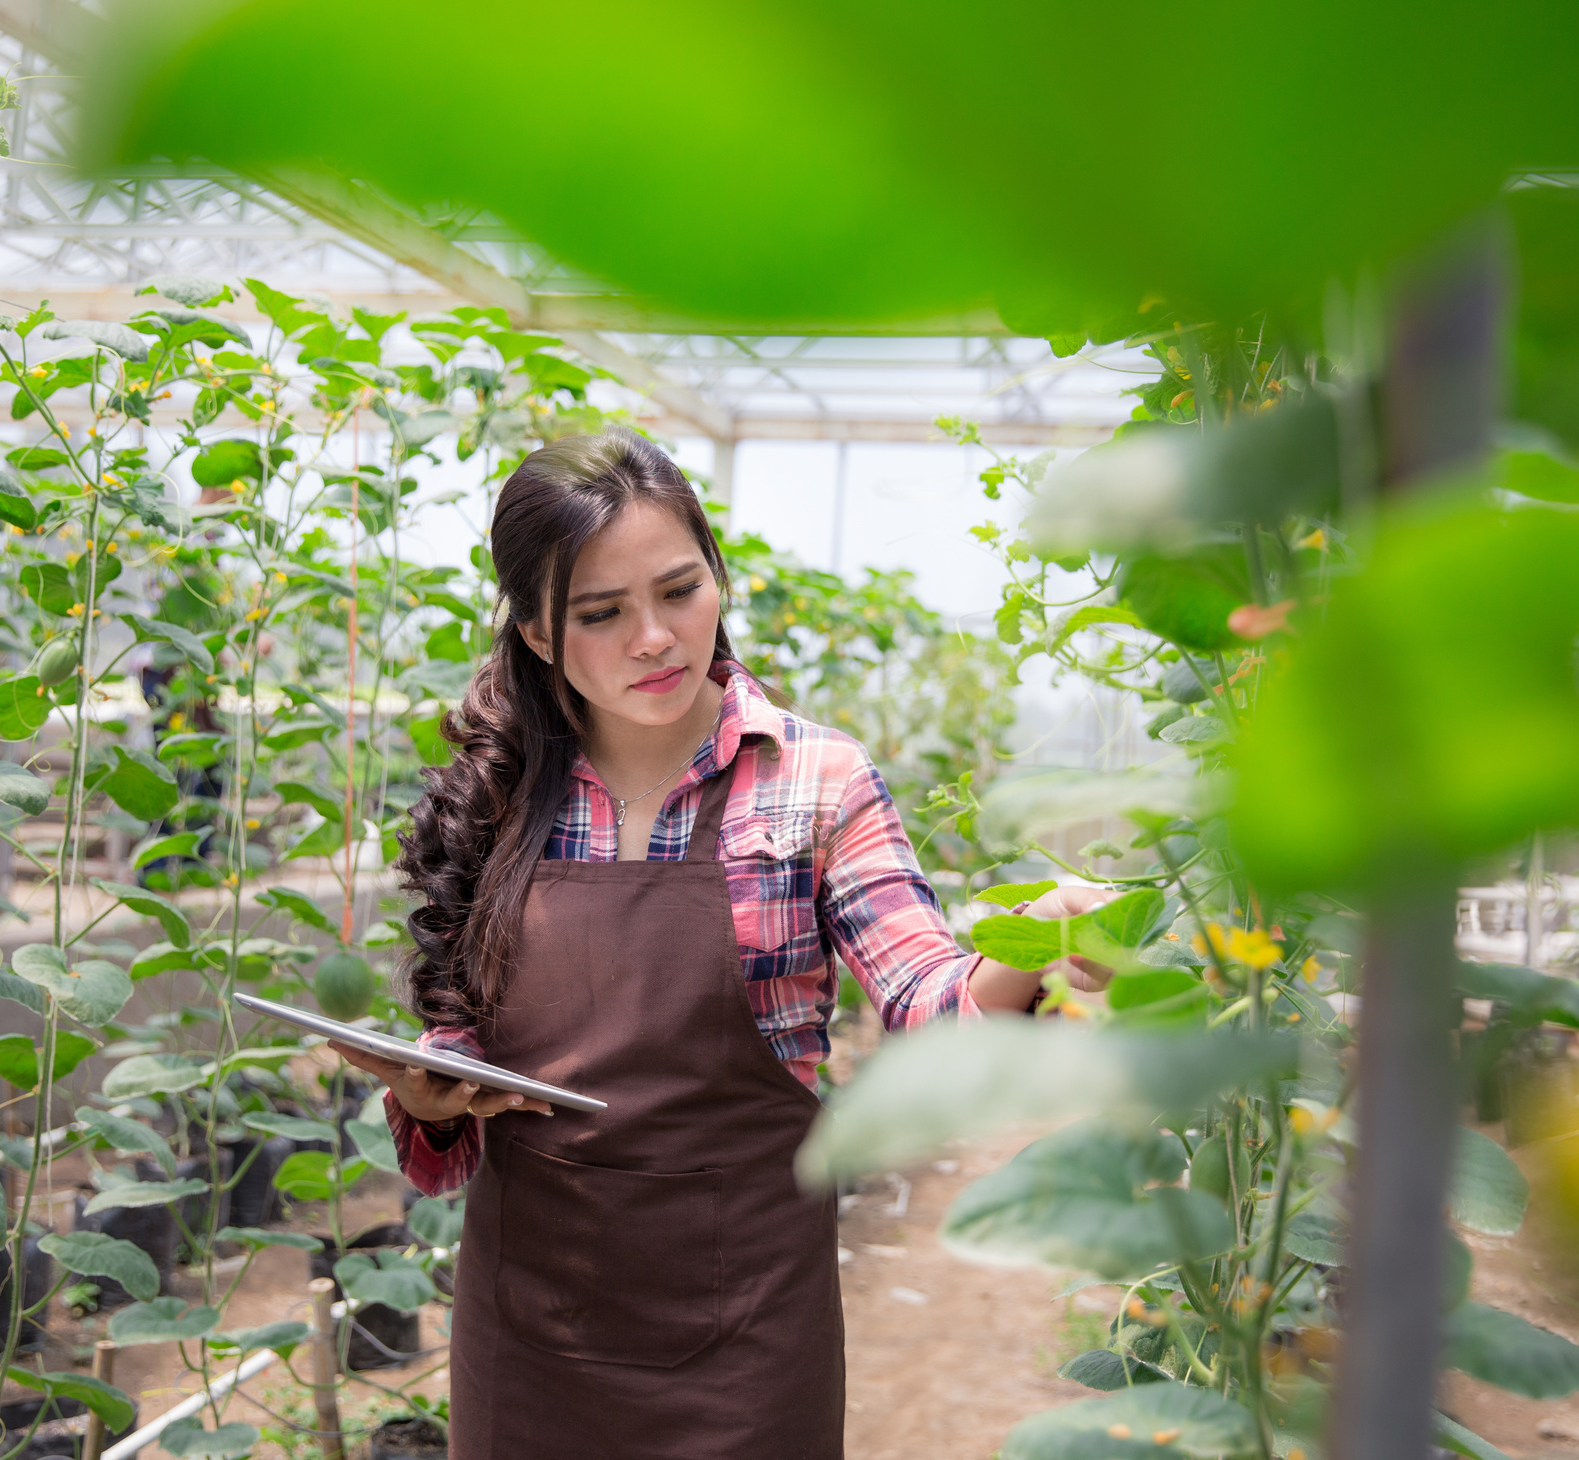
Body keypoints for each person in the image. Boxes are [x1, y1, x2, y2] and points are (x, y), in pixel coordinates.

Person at [329, 431, 1110, 1460]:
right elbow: (454, 1088)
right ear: (535, 633)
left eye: (679, 589)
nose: (654, 637)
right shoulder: (501, 796)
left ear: (717, 577)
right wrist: (432, 1094)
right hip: (527, 1330)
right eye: (601, 613)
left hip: (743, 1334)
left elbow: (926, 996)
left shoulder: (813, 782)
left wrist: (1036, 937)